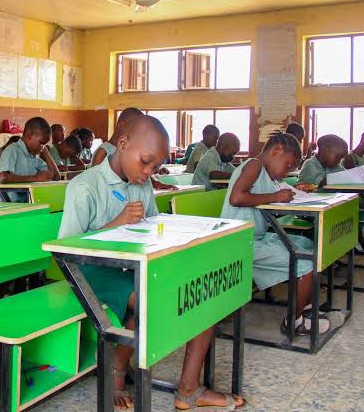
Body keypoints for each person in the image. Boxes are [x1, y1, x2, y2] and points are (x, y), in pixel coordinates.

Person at [59, 115, 244, 410]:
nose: (148, 172)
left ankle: (189, 388)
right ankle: (116, 374)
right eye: (144, 162)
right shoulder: (85, 186)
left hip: (135, 267)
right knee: (157, 301)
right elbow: (66, 250)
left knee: (203, 294)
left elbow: (152, 225)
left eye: (154, 167)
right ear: (122, 144)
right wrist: (114, 224)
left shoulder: (141, 184)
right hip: (92, 273)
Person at [221, 132, 330, 337]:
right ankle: (294, 321)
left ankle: (304, 307)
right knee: (307, 264)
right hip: (239, 241)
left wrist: (291, 191)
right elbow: (237, 198)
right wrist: (276, 196)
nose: (287, 172)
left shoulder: (266, 173)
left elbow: (270, 195)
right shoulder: (254, 165)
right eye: (288, 166)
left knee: (308, 246)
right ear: (276, 151)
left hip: (258, 236)